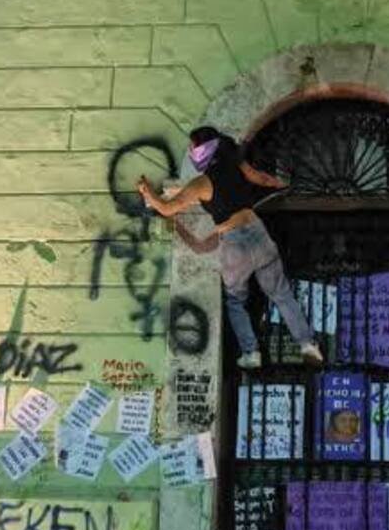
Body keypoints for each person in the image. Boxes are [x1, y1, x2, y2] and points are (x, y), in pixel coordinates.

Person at [137, 126, 324, 369]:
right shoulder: (238, 166)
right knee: (281, 294)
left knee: (236, 300)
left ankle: (251, 352)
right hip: (258, 231)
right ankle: (307, 344)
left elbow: (167, 208)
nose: (190, 151)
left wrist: (147, 192)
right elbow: (264, 179)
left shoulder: (201, 183)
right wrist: (286, 185)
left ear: (201, 151)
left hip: (234, 243)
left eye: (192, 147)